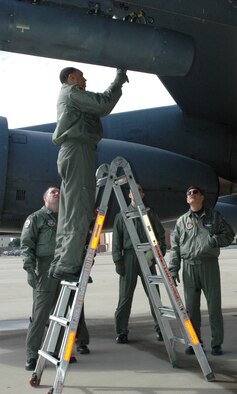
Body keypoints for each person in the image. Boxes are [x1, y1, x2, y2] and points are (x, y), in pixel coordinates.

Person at [49, 67, 128, 282]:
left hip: (71, 152)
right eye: (81, 75)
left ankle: (61, 261)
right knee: (79, 207)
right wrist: (118, 81)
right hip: (77, 151)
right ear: (71, 78)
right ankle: (69, 264)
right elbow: (103, 103)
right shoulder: (72, 92)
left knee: (68, 210)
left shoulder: (69, 96)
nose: (85, 79)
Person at [21, 187, 90, 371]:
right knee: (40, 315)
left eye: (59, 191)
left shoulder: (67, 219)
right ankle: (32, 355)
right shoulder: (35, 218)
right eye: (52, 192)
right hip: (44, 270)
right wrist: (29, 270)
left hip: (64, 268)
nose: (57, 193)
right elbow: (26, 245)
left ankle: (56, 351)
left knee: (61, 315)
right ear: (45, 198)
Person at [169, 186, 235, 356]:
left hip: (209, 266)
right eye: (188, 193)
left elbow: (229, 235)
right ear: (187, 199)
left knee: (214, 307)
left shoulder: (214, 217)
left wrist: (214, 241)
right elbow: (175, 247)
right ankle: (194, 343)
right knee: (191, 310)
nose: (191, 195)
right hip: (189, 267)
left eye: (195, 192)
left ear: (202, 197)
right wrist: (173, 269)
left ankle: (216, 344)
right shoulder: (182, 221)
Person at [112, 185, 166, 344]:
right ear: (129, 195)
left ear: (142, 194)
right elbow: (116, 243)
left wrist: (155, 257)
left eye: (140, 190)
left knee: (154, 296)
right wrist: (118, 262)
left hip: (147, 257)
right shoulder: (122, 216)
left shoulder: (150, 214)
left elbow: (161, 238)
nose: (136, 192)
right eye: (132, 190)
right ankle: (122, 331)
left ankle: (161, 329)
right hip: (128, 258)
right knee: (124, 298)